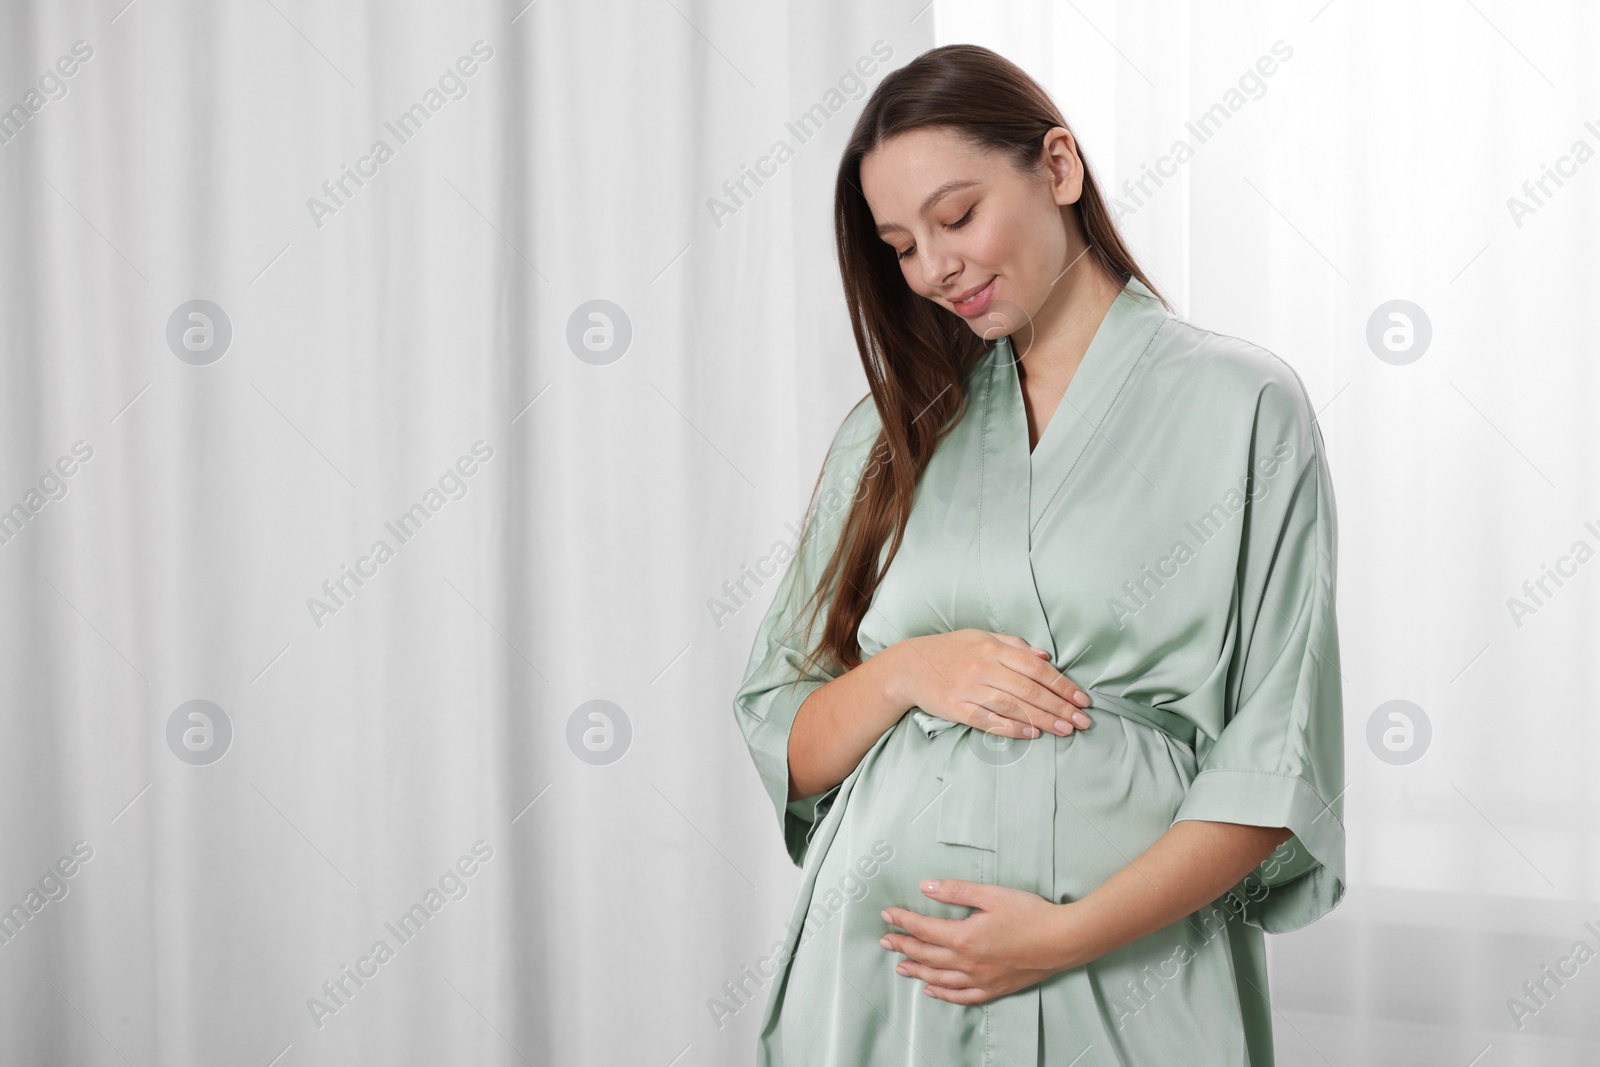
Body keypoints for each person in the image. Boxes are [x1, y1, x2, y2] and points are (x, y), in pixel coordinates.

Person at [733, 43, 1345, 1066]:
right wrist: (909, 670)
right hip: (882, 976)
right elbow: (783, 735)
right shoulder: (887, 435)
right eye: (898, 245)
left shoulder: (1243, 407)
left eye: (956, 216)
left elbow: (1273, 763)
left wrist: (1057, 936)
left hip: (1127, 973)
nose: (933, 268)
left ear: (1057, 167)